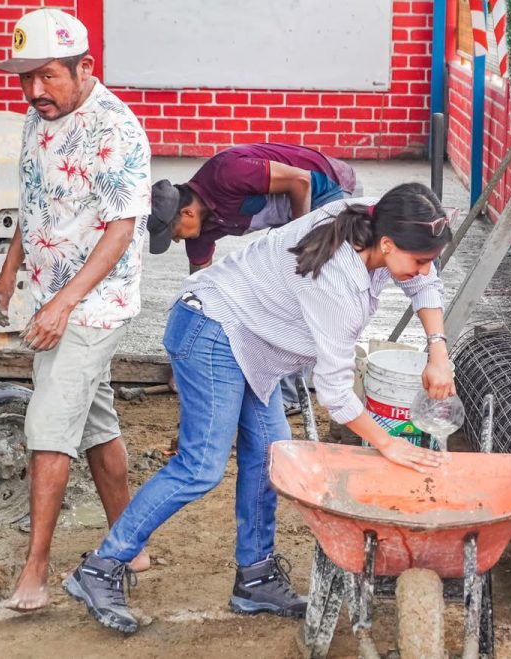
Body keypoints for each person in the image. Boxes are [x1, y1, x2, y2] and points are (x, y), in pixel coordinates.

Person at [63, 183, 454, 634]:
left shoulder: (372, 219)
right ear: (387, 244)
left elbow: (427, 280)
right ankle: (101, 567)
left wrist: (437, 351)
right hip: (212, 329)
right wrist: (387, 444)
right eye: (419, 259)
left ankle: (255, 578)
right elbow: (335, 393)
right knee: (201, 466)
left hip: (254, 344)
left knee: (272, 455)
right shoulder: (338, 283)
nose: (424, 269)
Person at [0, 8, 153, 611]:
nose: (34, 92)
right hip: (50, 295)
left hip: (94, 304)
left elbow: (119, 230)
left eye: (47, 77)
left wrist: (62, 304)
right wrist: (8, 274)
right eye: (25, 78)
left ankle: (34, 572)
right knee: (95, 420)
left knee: (50, 425)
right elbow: (34, 204)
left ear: (86, 67)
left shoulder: (116, 131)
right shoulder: (40, 118)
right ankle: (131, 541)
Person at [145, 143, 361, 413]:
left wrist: (297, 247)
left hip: (328, 189)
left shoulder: (227, 173)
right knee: (270, 286)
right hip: (293, 215)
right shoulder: (201, 232)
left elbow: (301, 181)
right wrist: (187, 360)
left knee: (297, 290)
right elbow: (200, 295)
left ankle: (290, 396)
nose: (177, 240)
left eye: (174, 232)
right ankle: (281, 387)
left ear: (186, 213)